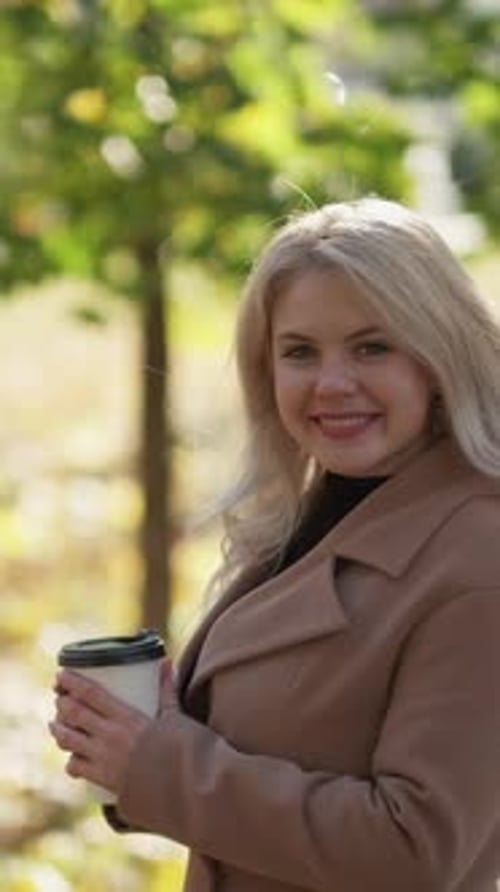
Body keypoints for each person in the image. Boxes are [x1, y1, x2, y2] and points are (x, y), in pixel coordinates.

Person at [50, 197, 500, 892]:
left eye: (372, 346)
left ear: (440, 357)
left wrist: (160, 763)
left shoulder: (477, 557)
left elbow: (415, 849)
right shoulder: (316, 516)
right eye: (299, 352)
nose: (332, 383)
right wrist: (128, 742)